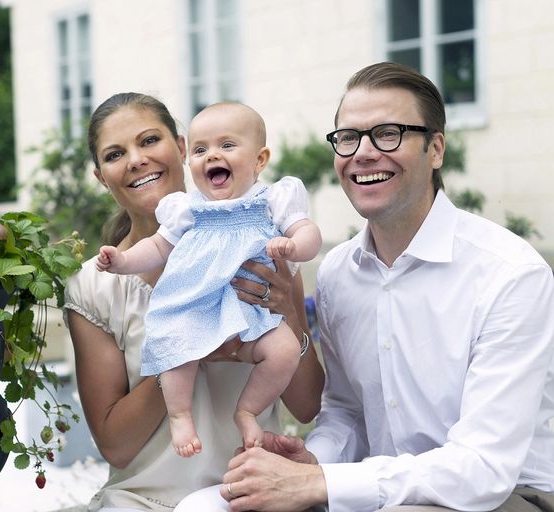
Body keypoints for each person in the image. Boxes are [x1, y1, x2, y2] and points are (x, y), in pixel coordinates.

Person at [176, 62, 554, 512]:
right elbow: (346, 412)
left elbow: (482, 469)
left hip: (504, 496)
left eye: (389, 133)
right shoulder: (337, 271)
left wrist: (320, 484)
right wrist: (313, 460)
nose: (364, 153)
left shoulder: (510, 273)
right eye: (349, 138)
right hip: (380, 488)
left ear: (435, 149)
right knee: (205, 506)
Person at [63, 93, 324, 511]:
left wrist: (289, 314)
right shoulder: (95, 287)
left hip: (249, 492)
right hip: (142, 501)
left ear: (181, 149)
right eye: (115, 154)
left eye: (149, 141)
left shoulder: (263, 248)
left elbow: (307, 406)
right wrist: (188, 348)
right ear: (101, 177)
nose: (136, 159)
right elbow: (116, 446)